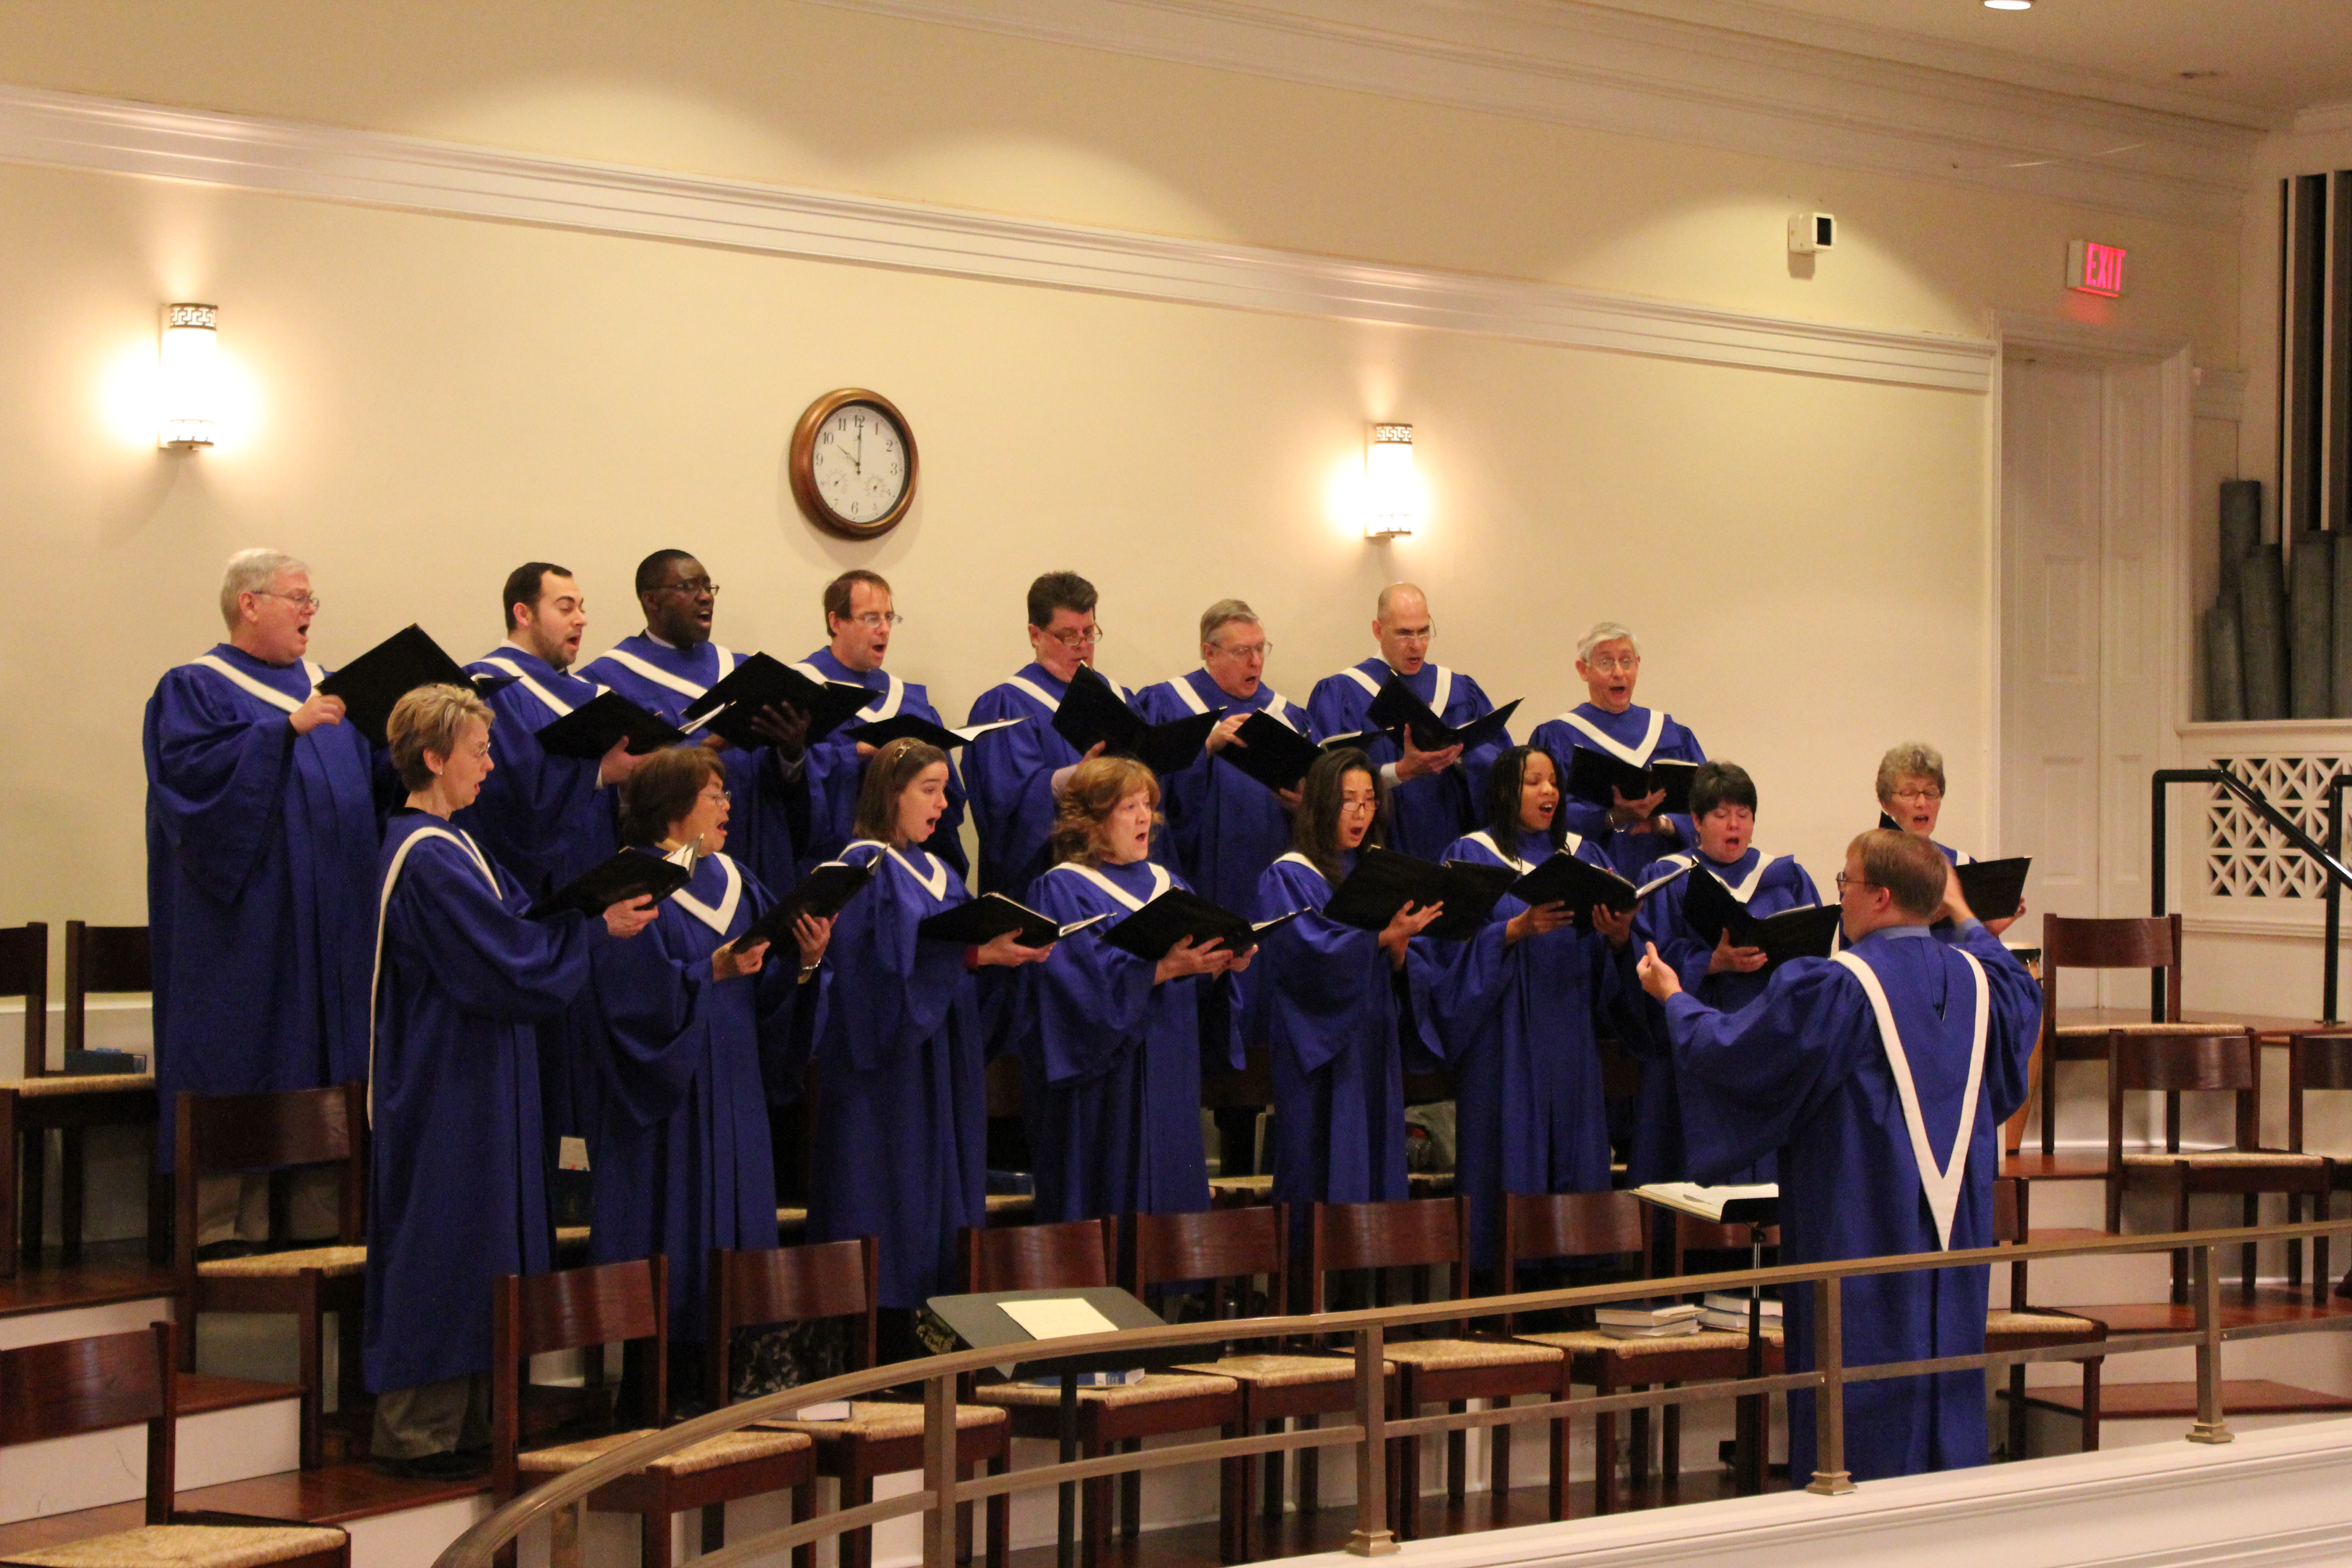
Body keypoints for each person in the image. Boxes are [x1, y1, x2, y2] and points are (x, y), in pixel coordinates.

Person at [1636, 829, 2038, 1485]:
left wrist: (1675, 998)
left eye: (1845, 883)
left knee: (1856, 1376)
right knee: (1944, 1369)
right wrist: (1962, 912)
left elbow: (1740, 1052)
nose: (1840, 895)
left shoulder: (1841, 986)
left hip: (1860, 1212)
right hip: (1954, 1225)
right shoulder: (1984, 980)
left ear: (1880, 896)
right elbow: (2024, 1000)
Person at [363, 684, 655, 1479]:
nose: (491, 763)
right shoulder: (423, 856)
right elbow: (504, 961)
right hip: (442, 1083)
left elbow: (524, 923)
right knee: (444, 1240)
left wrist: (589, 916)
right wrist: (592, 935)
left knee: (484, 1239)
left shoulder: (460, 844)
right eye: (478, 750)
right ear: (432, 757)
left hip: (481, 1075)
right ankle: (421, 1427)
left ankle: (472, 1422)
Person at [143, 549, 379, 1252]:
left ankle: (322, 1228)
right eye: (297, 598)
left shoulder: (333, 690)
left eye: (313, 600)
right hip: (244, 933)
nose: (311, 611)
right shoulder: (194, 689)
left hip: (334, 929)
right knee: (238, 1053)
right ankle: (225, 1234)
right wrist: (282, 732)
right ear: (249, 603)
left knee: (329, 1060)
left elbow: (376, 784)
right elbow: (191, 784)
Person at [588, 747, 831, 1393]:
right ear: (672, 808)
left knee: (739, 1246)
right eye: (714, 796)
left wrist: (805, 964)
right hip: (670, 1100)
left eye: (726, 795)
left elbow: (774, 997)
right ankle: (657, 1393)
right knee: (671, 1235)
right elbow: (624, 1001)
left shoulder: (740, 881)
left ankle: (737, 1387)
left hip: (738, 1089)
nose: (729, 807)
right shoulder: (634, 885)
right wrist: (709, 973)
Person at [805, 738, 1053, 1334]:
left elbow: (947, 960)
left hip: (943, 1059)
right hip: (887, 1074)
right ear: (891, 792)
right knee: (888, 1195)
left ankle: (941, 1336)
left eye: (945, 789)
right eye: (929, 789)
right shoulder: (860, 867)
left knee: (944, 1196)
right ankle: (881, 1339)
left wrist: (996, 957)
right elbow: (872, 977)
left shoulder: (940, 872)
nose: (943, 803)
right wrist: (966, 956)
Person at [460, 562, 642, 1181]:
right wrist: (596, 774)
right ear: (523, 613)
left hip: (591, 897)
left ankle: (584, 1192)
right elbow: (507, 797)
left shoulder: (586, 696)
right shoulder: (488, 687)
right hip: (531, 904)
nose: (582, 619)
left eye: (583, 605)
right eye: (566, 606)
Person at [1428, 747, 1636, 1273]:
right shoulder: (1471, 856)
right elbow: (1444, 955)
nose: (1549, 792)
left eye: (1553, 783)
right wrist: (1512, 931)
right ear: (1504, 792)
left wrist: (1616, 939)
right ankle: (1501, 1293)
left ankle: (1572, 1294)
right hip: (1503, 1044)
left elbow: (1605, 975)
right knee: (1508, 1159)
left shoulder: (1584, 856)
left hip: (1568, 1037)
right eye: (1533, 782)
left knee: (1575, 1161)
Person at [1017, 756, 1246, 1222]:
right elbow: (1074, 992)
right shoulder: (1061, 890)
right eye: (1129, 807)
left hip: (1170, 1080)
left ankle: (1170, 1295)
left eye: (1148, 805)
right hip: (1103, 1088)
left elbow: (1195, 996)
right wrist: (1157, 971)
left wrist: (1219, 966)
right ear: (1092, 821)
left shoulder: (1172, 887)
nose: (1146, 817)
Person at [1248, 749, 1443, 1246]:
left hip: (1372, 1040)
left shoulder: (1377, 875)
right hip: (1319, 1048)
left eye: (1370, 801)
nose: (1361, 812)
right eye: (1348, 801)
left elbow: (1404, 967)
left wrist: (1398, 948)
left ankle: (1370, 1288)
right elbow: (1300, 955)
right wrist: (1376, 940)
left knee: (1374, 1165)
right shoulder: (1288, 876)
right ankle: (1312, 1306)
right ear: (1320, 806)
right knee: (1319, 1167)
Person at [1626, 760, 1820, 1183]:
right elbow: (1645, 960)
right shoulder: (1666, 878)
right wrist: (1710, 963)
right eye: (1720, 815)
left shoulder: (1786, 880)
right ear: (1695, 821)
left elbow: (1814, 959)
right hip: (1696, 1047)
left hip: (1767, 1041)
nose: (1734, 825)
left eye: (1743, 815)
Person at [576, 549, 808, 897]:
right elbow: (611, 796)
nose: (704, 597)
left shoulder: (744, 673)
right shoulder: (606, 682)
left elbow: (777, 781)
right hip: (667, 876)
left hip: (753, 854)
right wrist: (703, 751)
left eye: (708, 586)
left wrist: (790, 751)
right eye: (688, 586)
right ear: (652, 601)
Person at [963, 571, 1146, 895]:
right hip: (1047, 889)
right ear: (1036, 635)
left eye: (1089, 633)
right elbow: (1005, 811)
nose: (1084, 647)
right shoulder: (1007, 705)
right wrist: (1077, 778)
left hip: (1120, 884)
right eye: (1069, 636)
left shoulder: (1119, 698)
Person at [1140, 599, 1316, 915]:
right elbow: (1144, 789)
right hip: (1201, 877)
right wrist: (1205, 747)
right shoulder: (1168, 705)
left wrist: (1306, 804)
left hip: (1274, 877)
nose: (1256, 662)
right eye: (1242, 651)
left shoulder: (1287, 716)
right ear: (1210, 653)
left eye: (1261, 649)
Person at [1308, 583, 1502, 859]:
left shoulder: (1459, 689)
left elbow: (1501, 767)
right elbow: (1326, 784)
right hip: (1381, 842)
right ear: (1378, 630)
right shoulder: (1343, 693)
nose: (1417, 645)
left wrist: (1460, 756)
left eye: (1424, 632)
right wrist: (1400, 772)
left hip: (1454, 835)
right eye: (1404, 634)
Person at [794, 570, 968, 875]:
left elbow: (947, 798)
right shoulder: (801, 691)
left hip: (906, 869)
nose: (885, 629)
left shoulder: (910, 702)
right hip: (832, 866)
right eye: (872, 618)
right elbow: (786, 778)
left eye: (889, 618)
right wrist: (855, 753)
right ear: (836, 623)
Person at [1529, 622, 1706, 879]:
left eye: (1626, 662)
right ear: (1583, 670)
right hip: (1593, 878)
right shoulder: (1559, 736)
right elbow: (1542, 812)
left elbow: (1708, 807)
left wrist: (1666, 825)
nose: (1618, 672)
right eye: (1606, 663)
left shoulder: (1672, 734)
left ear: (1638, 665)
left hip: (1670, 880)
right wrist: (1611, 818)